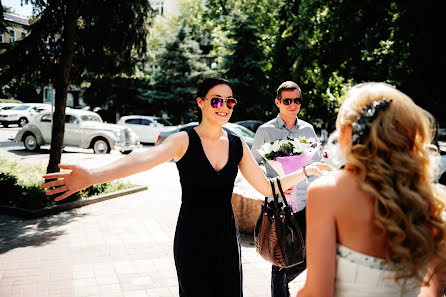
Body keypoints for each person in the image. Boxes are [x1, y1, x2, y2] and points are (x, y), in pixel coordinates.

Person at [41, 77, 331, 297]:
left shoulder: (237, 144)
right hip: (192, 238)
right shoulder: (183, 140)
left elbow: (267, 187)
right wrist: (92, 175)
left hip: (226, 240)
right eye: (216, 100)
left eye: (229, 102)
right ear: (201, 102)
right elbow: (143, 158)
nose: (224, 107)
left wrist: (306, 170)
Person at [297, 82, 446, 297]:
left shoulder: (327, 191)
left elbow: (318, 293)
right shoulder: (430, 202)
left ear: (348, 133)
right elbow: (433, 292)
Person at [251, 81, 322, 297]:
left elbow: (315, 163)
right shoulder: (265, 130)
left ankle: (282, 283)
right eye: (287, 101)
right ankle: (281, 292)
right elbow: (253, 167)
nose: (293, 105)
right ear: (278, 103)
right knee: (280, 258)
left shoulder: (308, 129)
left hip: (306, 205)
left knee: (310, 255)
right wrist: (274, 186)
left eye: (297, 100)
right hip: (279, 207)